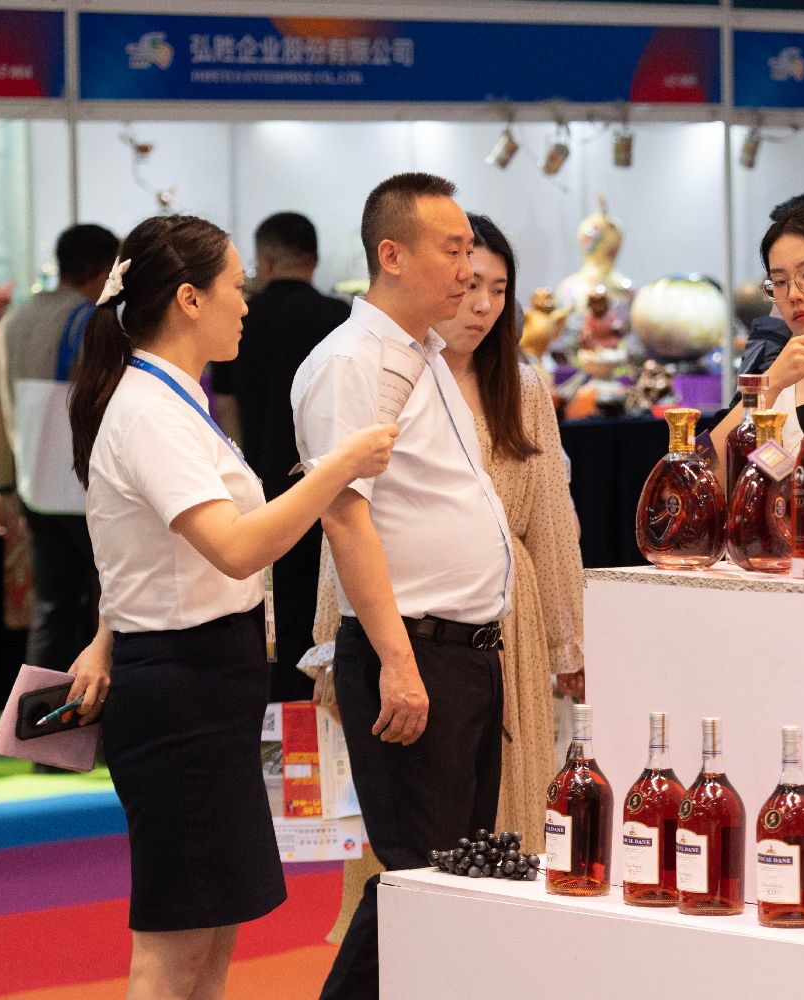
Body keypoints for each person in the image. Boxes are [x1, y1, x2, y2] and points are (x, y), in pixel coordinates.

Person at [62, 214, 397, 1000]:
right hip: (181, 688)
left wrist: (106, 634)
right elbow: (237, 547)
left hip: (205, 679)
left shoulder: (170, 400)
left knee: (211, 937)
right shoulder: (150, 411)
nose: (245, 305)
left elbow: (147, 548)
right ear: (189, 299)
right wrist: (337, 467)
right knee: (174, 945)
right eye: (235, 288)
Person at [318, 212, 584, 942]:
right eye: (468, 280)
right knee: (418, 856)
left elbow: (552, 519)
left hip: (503, 629)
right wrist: (333, 645)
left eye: (498, 289)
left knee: (494, 829)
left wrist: (568, 639)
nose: (480, 301)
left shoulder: (517, 386)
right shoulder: (383, 370)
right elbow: (344, 518)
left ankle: (488, 963)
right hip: (400, 627)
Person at [291, 173, 514, 999]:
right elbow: (344, 518)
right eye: (452, 251)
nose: (465, 271)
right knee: (421, 879)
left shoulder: (421, 355)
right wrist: (397, 660)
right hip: (414, 648)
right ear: (391, 255)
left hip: (463, 650)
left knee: (453, 875)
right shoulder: (351, 362)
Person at [213, 212, 351, 700]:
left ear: (266, 261)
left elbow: (225, 407)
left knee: (272, 611)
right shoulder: (340, 318)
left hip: (259, 488)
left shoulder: (241, 318)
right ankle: (323, 707)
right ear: (313, 258)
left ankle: (277, 715)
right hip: (334, 487)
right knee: (326, 602)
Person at [0, 224, 117, 674]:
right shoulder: (91, 321)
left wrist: (3, 488)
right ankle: (107, 714)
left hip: (34, 486)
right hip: (85, 487)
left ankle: (39, 712)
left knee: (50, 609)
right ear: (103, 270)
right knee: (110, 607)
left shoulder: (11, 322)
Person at [706, 199, 804, 462]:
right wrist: (771, 384)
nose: (793, 294)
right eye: (779, 282)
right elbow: (704, 470)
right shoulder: (778, 374)